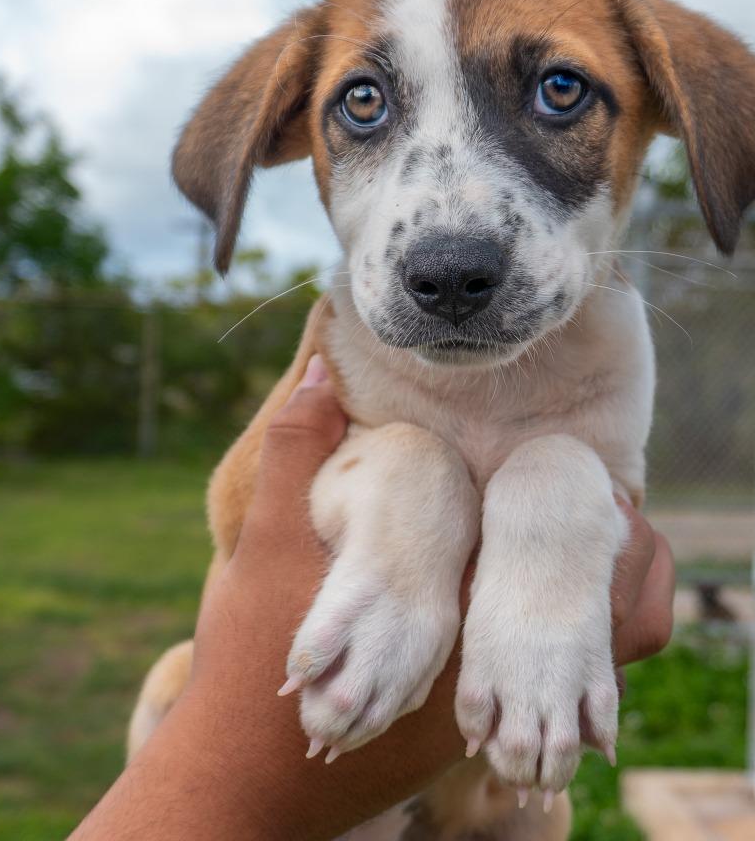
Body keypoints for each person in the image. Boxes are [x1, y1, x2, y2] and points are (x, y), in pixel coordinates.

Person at [71, 357, 676, 841]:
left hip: (479, 808)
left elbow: (618, 516)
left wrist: (565, 521)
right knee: (167, 681)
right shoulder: (350, 334)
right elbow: (241, 516)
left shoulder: (608, 350)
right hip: (232, 785)